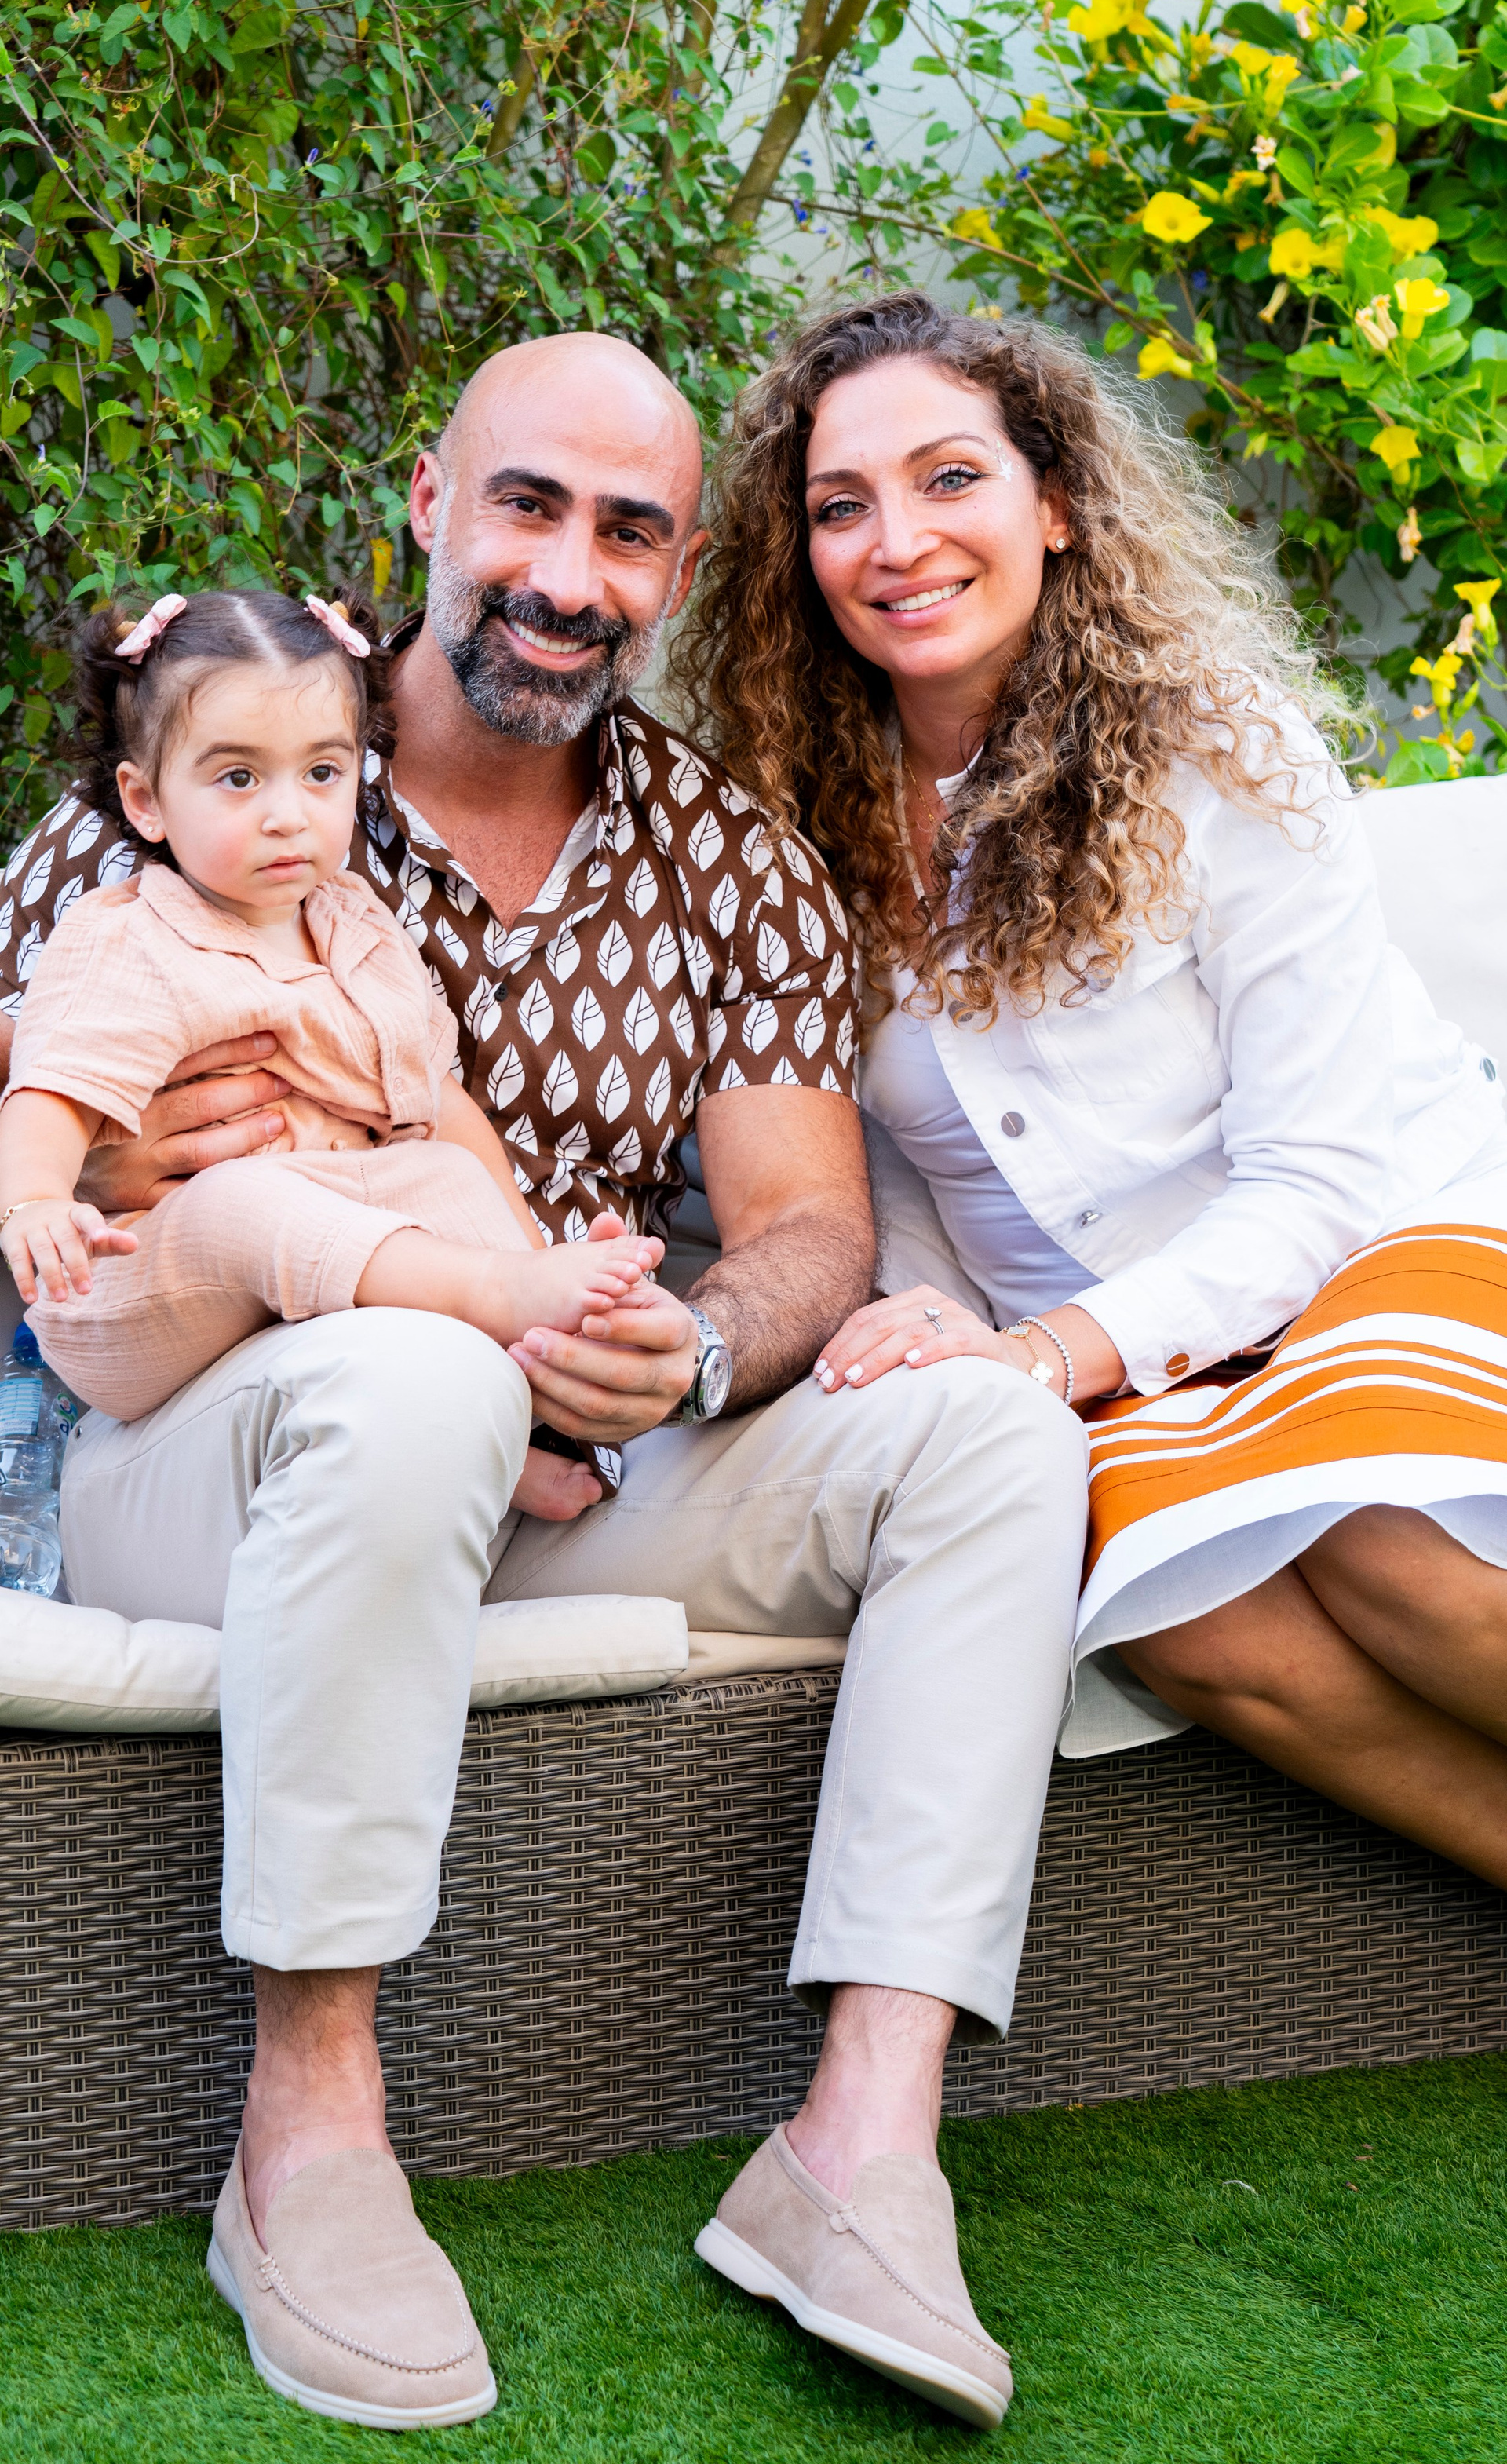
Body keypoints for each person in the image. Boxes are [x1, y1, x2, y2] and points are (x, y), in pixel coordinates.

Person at [0, 332, 1086, 2433]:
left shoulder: (726, 865)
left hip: (565, 1458)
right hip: (207, 1458)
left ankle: (858, 2148)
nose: (568, 575)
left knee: (982, 1430)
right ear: (431, 500)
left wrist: (684, 1343)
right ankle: (307, 2133)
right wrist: (117, 1172)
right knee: (416, 1376)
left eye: (628, 532)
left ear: (678, 569)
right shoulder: (209, 772)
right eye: (527, 506)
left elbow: (807, 1228)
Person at [673, 286, 1507, 1927]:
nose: (897, 541)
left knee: (1370, 1525)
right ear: (797, 556)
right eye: (840, 507)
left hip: (1376, 1243)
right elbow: (900, 1168)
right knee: (1183, 1612)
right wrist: (931, 1316)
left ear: (1053, 503)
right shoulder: (791, 823)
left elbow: (1322, 1173)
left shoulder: (1222, 754)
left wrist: (1052, 1355)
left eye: (950, 479)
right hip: (1087, 1346)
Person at [0, 586, 659, 1461]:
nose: (288, 815)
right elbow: (49, 1090)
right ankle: (491, 1297)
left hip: (306, 1260)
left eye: (321, 772)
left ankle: (524, 1406)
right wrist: (36, 1202)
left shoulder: (357, 923)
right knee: (244, 1198)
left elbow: (438, 1103)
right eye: (238, 777)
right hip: (135, 1287)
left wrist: (527, 1248)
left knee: (442, 1167)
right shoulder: (129, 937)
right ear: (146, 799)